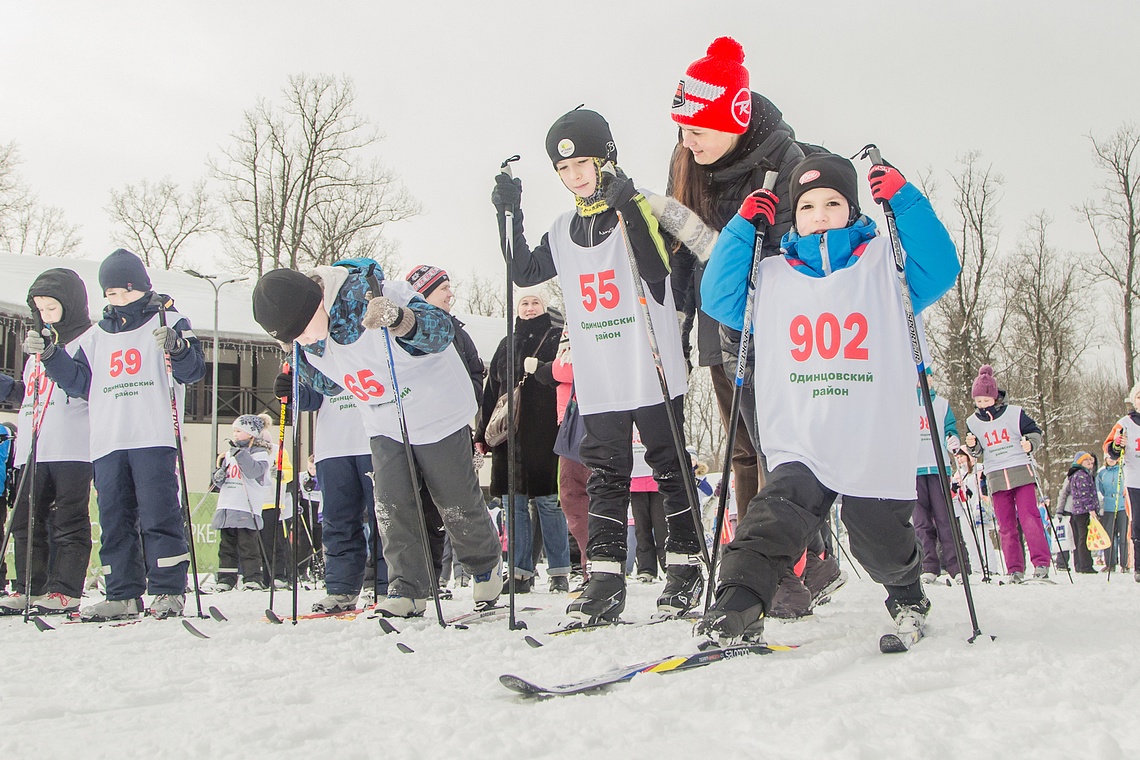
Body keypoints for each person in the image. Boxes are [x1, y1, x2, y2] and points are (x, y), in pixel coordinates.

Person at [695, 152, 959, 644]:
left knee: (877, 540)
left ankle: (906, 595)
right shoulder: (771, 275)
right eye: (808, 205)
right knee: (769, 522)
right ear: (793, 215)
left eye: (832, 202)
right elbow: (718, 299)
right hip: (802, 438)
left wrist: (903, 199)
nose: (819, 214)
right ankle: (737, 602)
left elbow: (941, 267)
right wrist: (741, 228)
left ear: (853, 209)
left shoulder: (886, 266)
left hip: (870, 438)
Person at [491, 107, 705, 624]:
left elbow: (657, 273)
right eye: (564, 170)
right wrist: (509, 214)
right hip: (601, 370)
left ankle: (685, 570)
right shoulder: (563, 228)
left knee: (668, 467)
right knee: (606, 474)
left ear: (606, 157)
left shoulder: (643, 204)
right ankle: (605, 580)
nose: (575, 177)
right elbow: (523, 271)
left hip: (650, 362)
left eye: (583, 163)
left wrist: (629, 205)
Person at [251, 261, 503, 618]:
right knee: (392, 502)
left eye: (303, 331)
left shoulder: (378, 293)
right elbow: (329, 383)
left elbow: (441, 331)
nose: (303, 341)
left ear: (318, 302)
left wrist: (403, 320)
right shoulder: (309, 342)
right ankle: (408, 587)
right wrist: (299, 377)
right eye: (294, 338)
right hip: (384, 419)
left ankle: (484, 566)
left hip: (435, 410)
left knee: (453, 497)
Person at [29, 249, 205, 620]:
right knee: (114, 518)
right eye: (111, 294)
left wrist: (178, 346)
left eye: (127, 292)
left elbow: (192, 371)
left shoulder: (167, 318)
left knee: (160, 514)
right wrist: (51, 355)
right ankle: (123, 593)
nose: (120, 300)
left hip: (152, 434)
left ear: (142, 287)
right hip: (109, 440)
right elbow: (79, 383)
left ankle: (168, 590)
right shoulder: (96, 335)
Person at [0, 269, 93, 616]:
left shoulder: (89, 339)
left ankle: (64, 589)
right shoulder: (36, 345)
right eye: (39, 309)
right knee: (26, 520)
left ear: (69, 305)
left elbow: (81, 385)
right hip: (32, 446)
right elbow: (31, 393)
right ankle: (28, 586)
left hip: (71, 445)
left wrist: (55, 354)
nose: (45, 315)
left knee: (68, 519)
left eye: (51, 307)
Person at [475, 289, 569, 593]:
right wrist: (482, 436)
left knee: (548, 503)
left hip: (545, 431)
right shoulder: (507, 343)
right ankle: (519, 573)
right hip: (509, 437)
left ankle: (559, 571)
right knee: (512, 504)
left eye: (535, 303)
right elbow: (492, 392)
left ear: (544, 307)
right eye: (524, 304)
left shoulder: (558, 337)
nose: (529, 308)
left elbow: (566, 375)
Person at [963, 366, 1051, 583]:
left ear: (995, 396)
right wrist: (972, 446)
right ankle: (1014, 569)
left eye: (986, 400)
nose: (982, 405)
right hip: (996, 475)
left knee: (1030, 518)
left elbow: (1035, 432)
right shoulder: (972, 422)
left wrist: (1029, 444)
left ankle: (1040, 564)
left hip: (1020, 470)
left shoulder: (1014, 413)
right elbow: (977, 452)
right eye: (979, 401)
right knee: (1005, 524)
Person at [209, 414, 271, 592]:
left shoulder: (260, 453)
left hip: (246, 505)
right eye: (234, 431)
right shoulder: (229, 453)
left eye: (239, 431)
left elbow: (254, 472)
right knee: (226, 544)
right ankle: (226, 578)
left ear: (250, 433)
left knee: (247, 544)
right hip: (228, 503)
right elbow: (222, 478)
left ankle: (252, 577)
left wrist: (241, 455)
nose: (235, 434)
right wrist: (218, 477)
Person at [914, 378, 965, 584]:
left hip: (938, 466)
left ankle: (956, 565)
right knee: (921, 521)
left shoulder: (941, 404)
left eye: (926, 376)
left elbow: (950, 428)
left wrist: (952, 439)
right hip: (914, 468)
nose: (921, 381)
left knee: (945, 518)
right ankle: (928, 565)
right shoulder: (903, 403)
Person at [1103, 386, 1140, 581]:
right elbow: (1110, 449)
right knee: (1138, 522)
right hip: (1134, 479)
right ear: (1134, 401)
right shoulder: (1125, 423)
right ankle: (1138, 566)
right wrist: (1117, 444)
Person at [1055, 451, 1100, 574]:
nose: (1090, 463)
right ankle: (1085, 565)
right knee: (1083, 537)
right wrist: (1091, 508)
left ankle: (1080, 564)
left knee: (1079, 537)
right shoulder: (1081, 475)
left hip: (1077, 511)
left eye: (1091, 461)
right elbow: (1084, 494)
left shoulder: (1080, 474)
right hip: (1082, 511)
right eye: (1087, 461)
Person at [1096, 450, 1129, 573]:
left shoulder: (1123, 470)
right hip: (1109, 507)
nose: (1111, 460)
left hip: (1122, 506)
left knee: (1123, 536)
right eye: (1109, 457)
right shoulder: (1102, 473)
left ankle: (1124, 564)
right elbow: (1099, 490)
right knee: (1109, 536)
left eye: (1113, 457)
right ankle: (1110, 563)